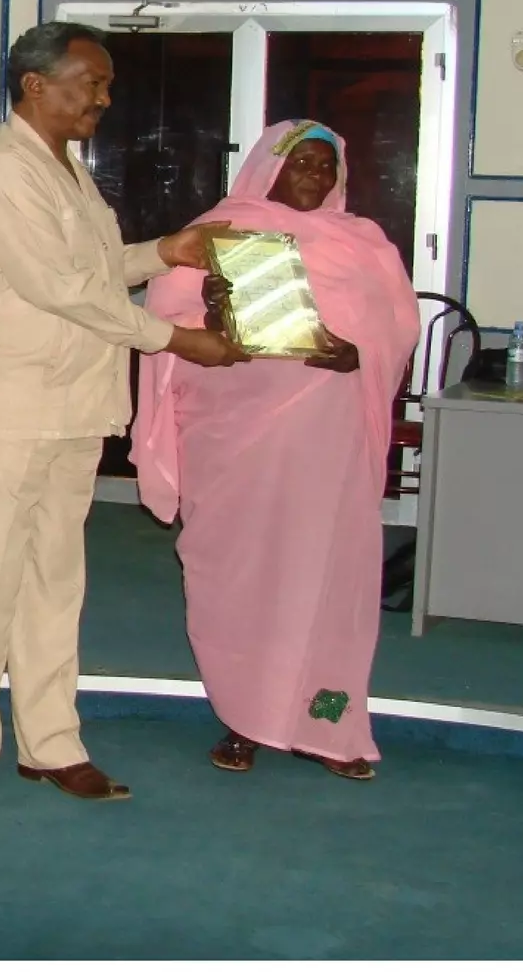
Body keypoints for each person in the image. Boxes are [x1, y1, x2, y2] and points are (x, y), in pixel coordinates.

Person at [0, 22, 247, 807]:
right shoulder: (0, 172)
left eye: (104, 86)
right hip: (3, 402)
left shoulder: (66, 171)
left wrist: (165, 251)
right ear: (35, 86)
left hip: (70, 403)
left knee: (53, 580)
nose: (103, 98)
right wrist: (177, 340)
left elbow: (93, 274)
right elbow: (58, 291)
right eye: (90, 83)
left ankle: (51, 743)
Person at [130, 120, 420, 782]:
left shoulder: (366, 244)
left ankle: (328, 725)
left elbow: (397, 330)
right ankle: (244, 719)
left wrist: (355, 351)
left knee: (329, 581)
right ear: (270, 169)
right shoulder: (224, 231)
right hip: (237, 445)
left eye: (328, 166)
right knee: (242, 578)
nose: (317, 177)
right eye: (304, 164)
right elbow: (165, 319)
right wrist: (214, 311)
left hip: (330, 444)